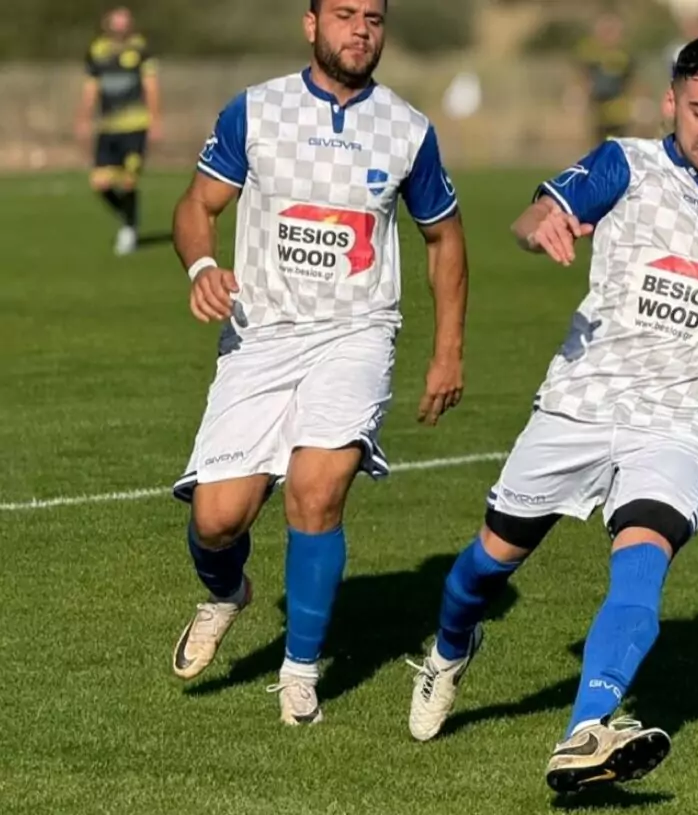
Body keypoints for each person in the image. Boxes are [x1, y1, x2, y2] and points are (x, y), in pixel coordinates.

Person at [408, 35, 698, 792]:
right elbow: (533, 217)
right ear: (670, 101)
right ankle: (450, 648)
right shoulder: (624, 164)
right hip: (583, 404)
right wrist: (543, 227)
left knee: (642, 562)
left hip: (680, 424)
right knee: (489, 563)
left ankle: (585, 731)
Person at [169, 0, 468, 726]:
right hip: (261, 334)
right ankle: (227, 593)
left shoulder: (407, 129)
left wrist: (448, 350)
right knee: (217, 518)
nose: (360, 29)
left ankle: (299, 672)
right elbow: (197, 206)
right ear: (311, 24)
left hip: (356, 334)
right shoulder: (255, 111)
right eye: (343, 14)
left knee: (316, 488)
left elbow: (444, 239)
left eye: (373, 17)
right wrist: (202, 266)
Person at [75, 7, 161, 256]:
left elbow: (151, 87)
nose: (121, 27)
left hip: (135, 125)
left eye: (125, 22)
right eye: (116, 22)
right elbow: (91, 89)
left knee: (128, 180)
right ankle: (128, 217)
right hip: (108, 127)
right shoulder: (97, 50)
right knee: (100, 183)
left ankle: (129, 229)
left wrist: (156, 120)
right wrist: (83, 119)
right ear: (108, 24)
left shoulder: (140, 49)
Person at [576, 14, 637, 143]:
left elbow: (632, 81)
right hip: (598, 110)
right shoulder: (591, 52)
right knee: (599, 144)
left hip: (619, 110)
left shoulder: (624, 55)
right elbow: (584, 77)